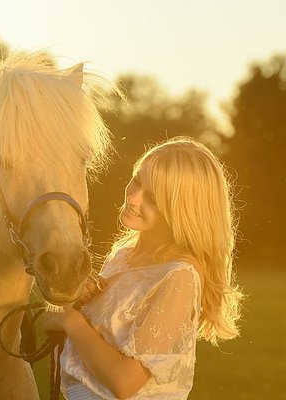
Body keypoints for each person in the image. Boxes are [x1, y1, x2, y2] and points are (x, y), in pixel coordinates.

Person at [43, 137, 243, 399]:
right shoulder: (124, 255)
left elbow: (124, 382)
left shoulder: (179, 276)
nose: (133, 197)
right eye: (137, 180)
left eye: (153, 198)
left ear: (180, 211)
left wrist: (72, 321)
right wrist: (77, 303)